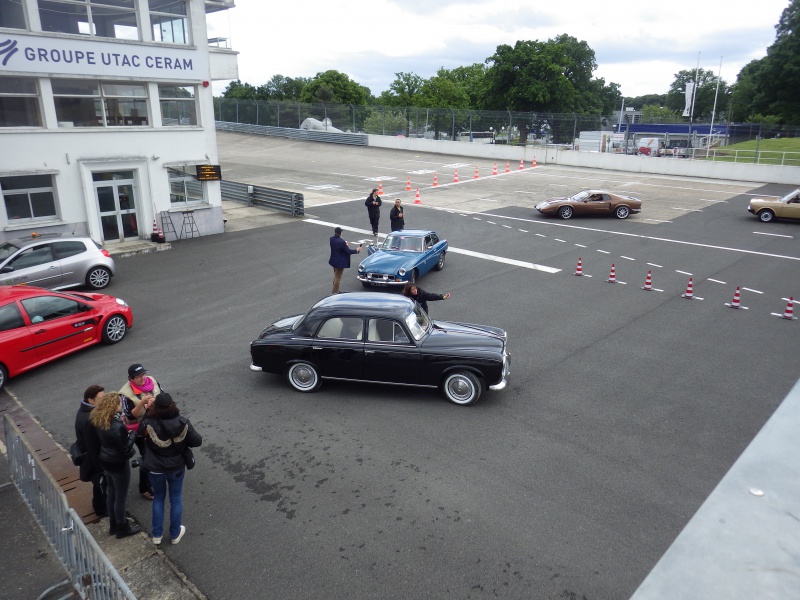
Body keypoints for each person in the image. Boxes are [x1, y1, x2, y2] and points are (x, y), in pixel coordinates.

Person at [138, 392, 202, 546]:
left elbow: (139, 434)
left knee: (159, 498)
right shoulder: (182, 422)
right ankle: (174, 534)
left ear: (155, 407)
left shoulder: (148, 422)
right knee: (176, 499)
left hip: (155, 468)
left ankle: (157, 534)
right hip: (176, 466)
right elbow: (197, 441)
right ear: (172, 405)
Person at [91, 391, 141, 538]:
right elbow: (125, 449)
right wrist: (132, 434)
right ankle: (122, 527)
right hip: (118, 463)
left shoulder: (100, 420)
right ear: (113, 406)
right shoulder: (117, 426)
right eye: (119, 403)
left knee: (112, 492)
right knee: (121, 496)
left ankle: (113, 524)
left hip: (106, 460)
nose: (121, 405)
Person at [119, 363, 162, 501]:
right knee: (146, 456)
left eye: (143, 374)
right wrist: (141, 403)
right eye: (138, 377)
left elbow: (164, 395)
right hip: (138, 430)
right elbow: (130, 416)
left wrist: (157, 401)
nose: (143, 378)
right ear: (131, 379)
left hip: (154, 424)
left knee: (157, 450)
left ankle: (157, 471)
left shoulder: (152, 381)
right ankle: (144, 487)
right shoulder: (126, 394)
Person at [75, 385, 107, 517]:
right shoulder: (89, 419)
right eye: (101, 398)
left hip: (91, 457)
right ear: (91, 400)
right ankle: (101, 509)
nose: (104, 400)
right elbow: (92, 446)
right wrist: (100, 467)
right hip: (94, 460)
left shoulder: (84, 411)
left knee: (100, 484)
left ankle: (100, 505)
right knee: (100, 484)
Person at [328, 227, 361, 294]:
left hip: (334, 260)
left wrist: (345, 245)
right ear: (340, 233)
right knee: (338, 277)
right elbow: (348, 251)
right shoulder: (341, 241)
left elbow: (338, 247)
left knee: (336, 276)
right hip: (340, 262)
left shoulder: (331, 239)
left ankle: (336, 290)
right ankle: (335, 292)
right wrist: (357, 250)